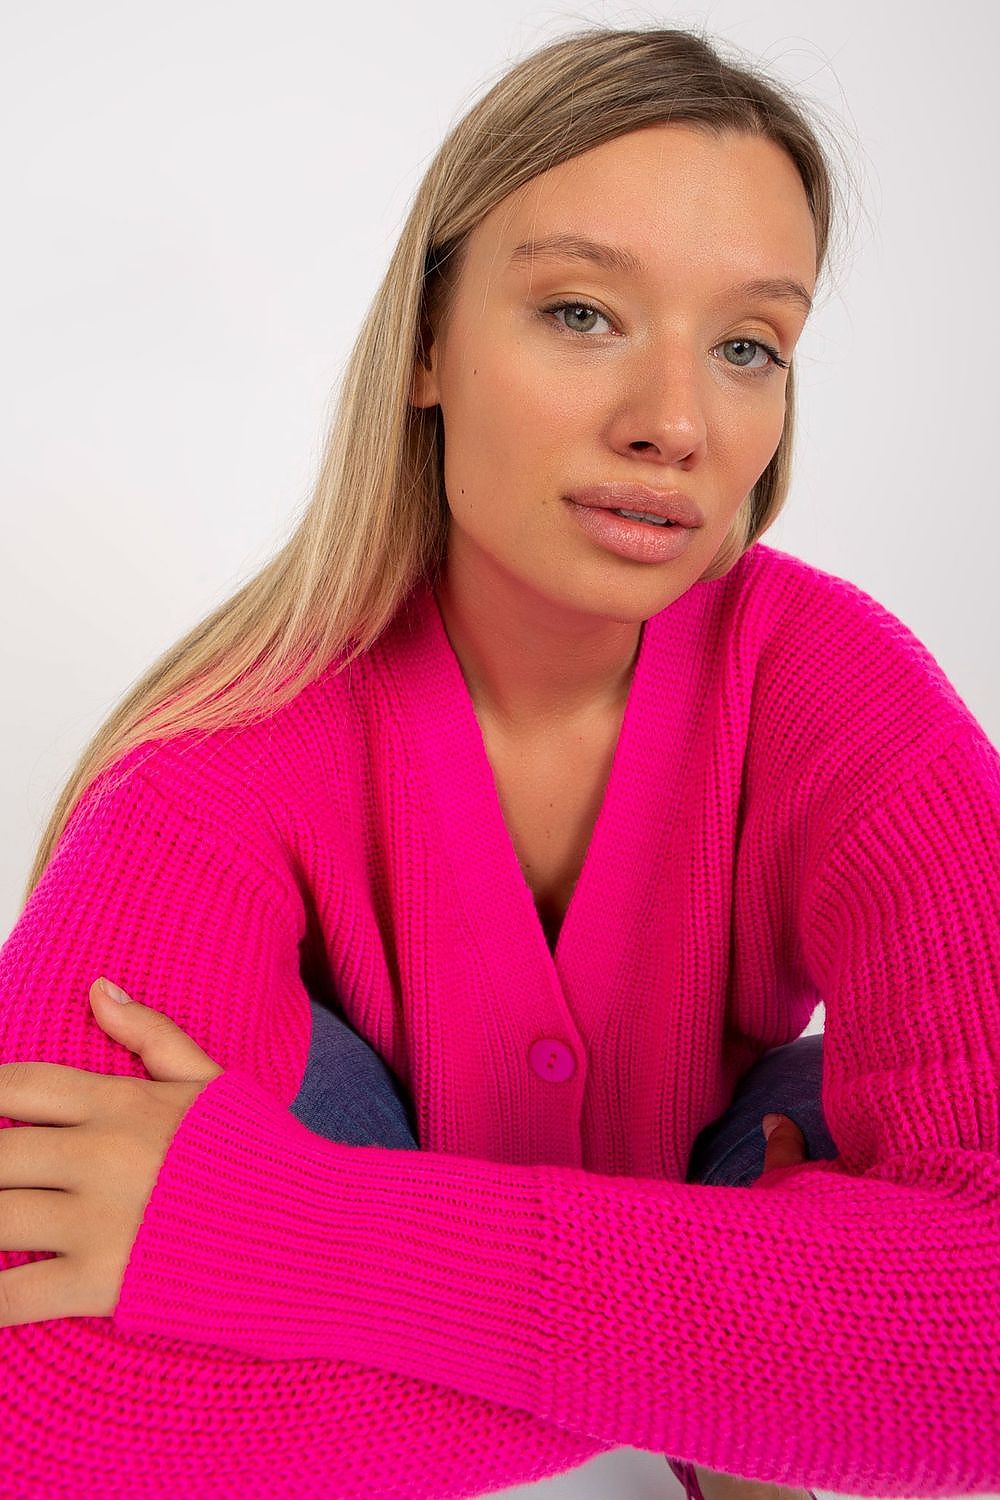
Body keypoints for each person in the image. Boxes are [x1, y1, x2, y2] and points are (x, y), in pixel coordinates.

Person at [0, 23, 996, 1500]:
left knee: (862, 1119)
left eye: (746, 347)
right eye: (582, 312)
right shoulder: (219, 754)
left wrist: (298, 1238)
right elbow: (31, 1395)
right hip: (587, 1197)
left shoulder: (842, 692)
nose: (674, 425)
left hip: (673, 1164)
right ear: (424, 346)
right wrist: (782, 1360)